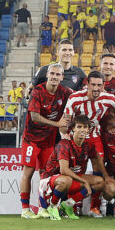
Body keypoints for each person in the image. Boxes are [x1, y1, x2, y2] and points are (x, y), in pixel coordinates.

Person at [19, 63, 72, 219]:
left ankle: (42, 207)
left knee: (45, 175)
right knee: (28, 172)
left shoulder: (65, 92)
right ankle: (25, 209)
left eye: (58, 74)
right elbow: (35, 117)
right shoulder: (38, 91)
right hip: (31, 139)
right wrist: (57, 124)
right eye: (52, 74)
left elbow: (78, 97)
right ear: (48, 74)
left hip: (48, 142)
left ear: (62, 77)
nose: (55, 77)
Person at [63, 70, 115, 217]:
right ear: (87, 84)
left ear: (103, 85)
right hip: (75, 139)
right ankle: (72, 206)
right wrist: (64, 136)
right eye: (93, 84)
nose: (95, 88)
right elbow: (66, 120)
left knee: (98, 168)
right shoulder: (75, 98)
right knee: (74, 170)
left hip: (94, 137)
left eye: (99, 85)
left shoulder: (109, 98)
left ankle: (95, 207)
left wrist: (112, 122)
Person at [38, 115, 110, 220]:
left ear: (88, 130)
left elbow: (97, 162)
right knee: (66, 179)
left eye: (85, 127)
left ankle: (67, 205)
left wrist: (107, 177)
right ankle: (52, 206)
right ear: (73, 129)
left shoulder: (88, 146)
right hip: (50, 181)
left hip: (71, 180)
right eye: (79, 127)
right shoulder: (64, 144)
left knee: (99, 181)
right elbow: (64, 170)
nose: (82, 130)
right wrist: (85, 182)